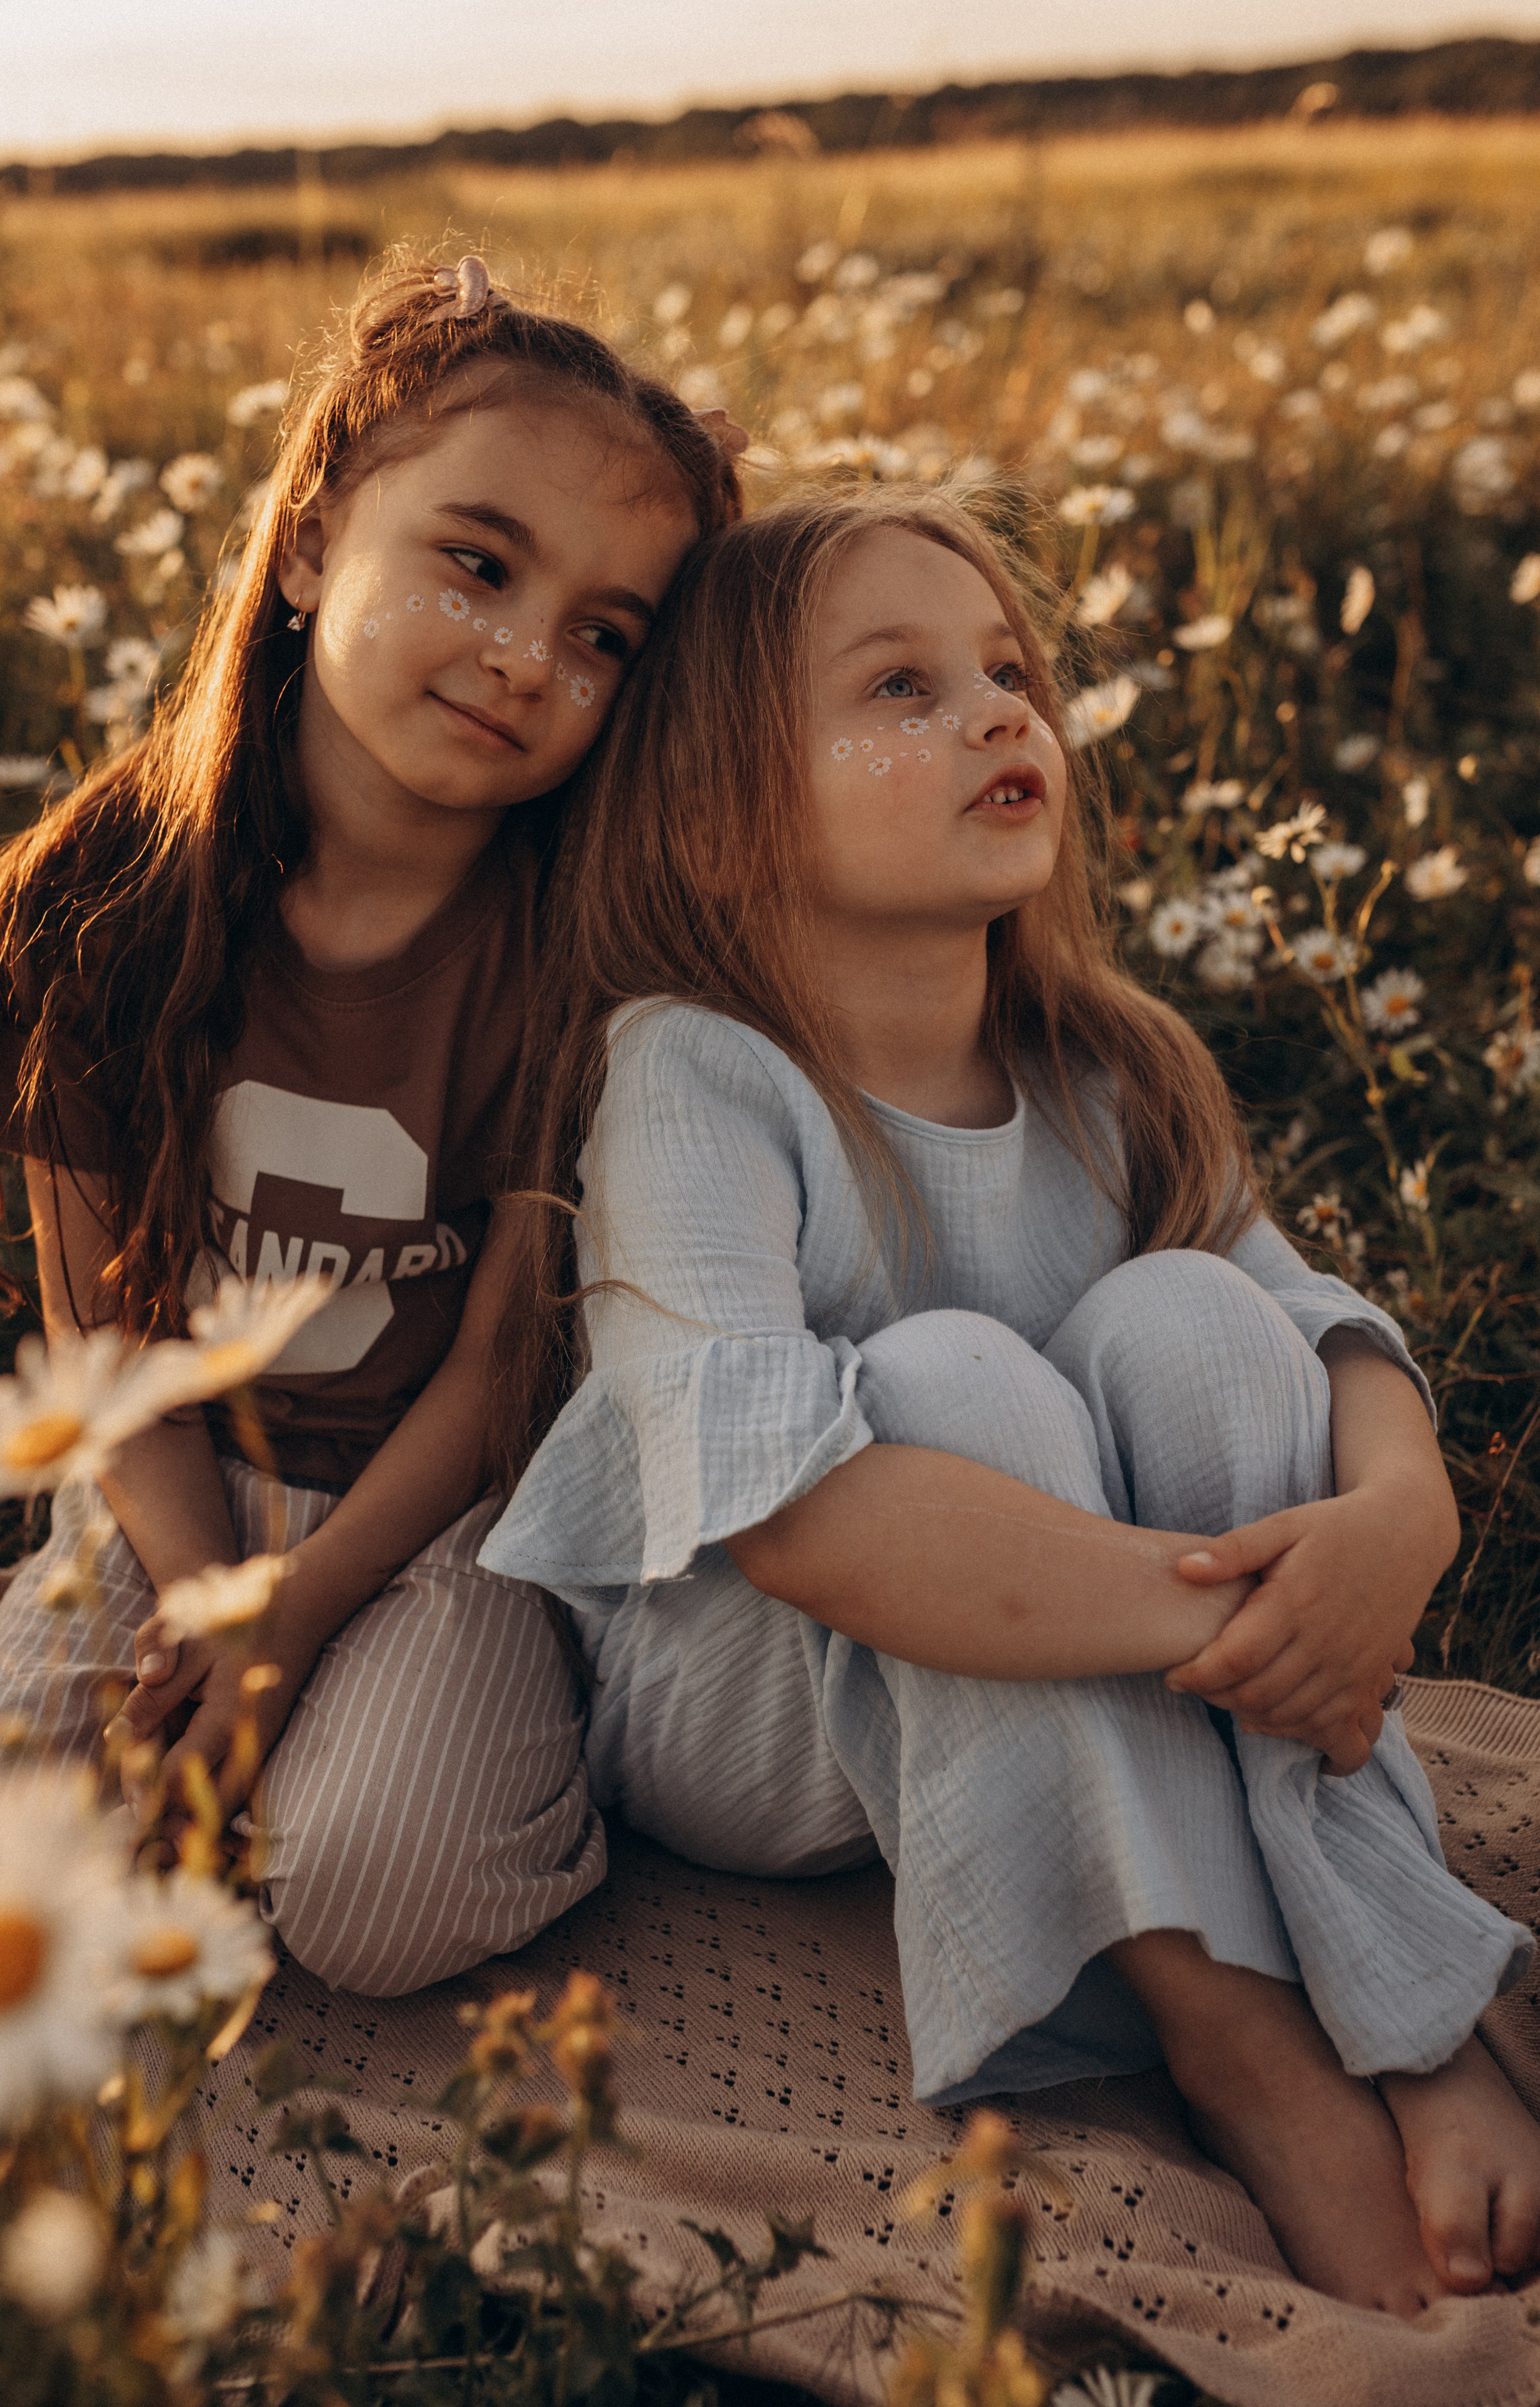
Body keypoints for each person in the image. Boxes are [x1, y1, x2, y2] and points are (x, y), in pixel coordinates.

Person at [481, 488, 1540, 2315]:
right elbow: (792, 1515)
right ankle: (1260, 2068)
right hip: (738, 1692)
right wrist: (1240, 1623)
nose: (994, 714)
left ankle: (1415, 2016)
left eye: (1007, 674)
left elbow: (1322, 1330)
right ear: (724, 816)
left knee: (1203, 1325)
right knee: (950, 1385)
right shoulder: (696, 1072)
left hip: (1128, 1616)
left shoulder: (1103, 1065)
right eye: (900, 689)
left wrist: (1394, 1525)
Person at [0, 249, 740, 1995]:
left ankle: (548, 1715)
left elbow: (498, 1377)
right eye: (477, 563)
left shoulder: (584, 958)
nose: (529, 656)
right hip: (169, 1501)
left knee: (375, 1902)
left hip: (442, 1517)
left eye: (603, 635)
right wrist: (215, 1600)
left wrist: (302, 1623)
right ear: (310, 544)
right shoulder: (100, 905)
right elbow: (109, 1354)